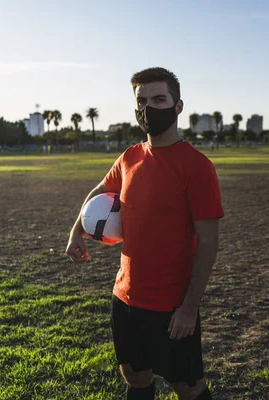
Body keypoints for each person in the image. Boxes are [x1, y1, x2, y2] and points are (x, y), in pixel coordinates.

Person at [65, 67, 222, 400]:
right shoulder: (130, 157)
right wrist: (75, 231)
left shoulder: (197, 167)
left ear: (178, 106)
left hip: (171, 305)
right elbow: (97, 193)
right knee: (135, 376)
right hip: (125, 297)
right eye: (142, 101)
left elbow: (208, 241)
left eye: (159, 99)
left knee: (188, 386)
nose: (149, 108)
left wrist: (190, 308)